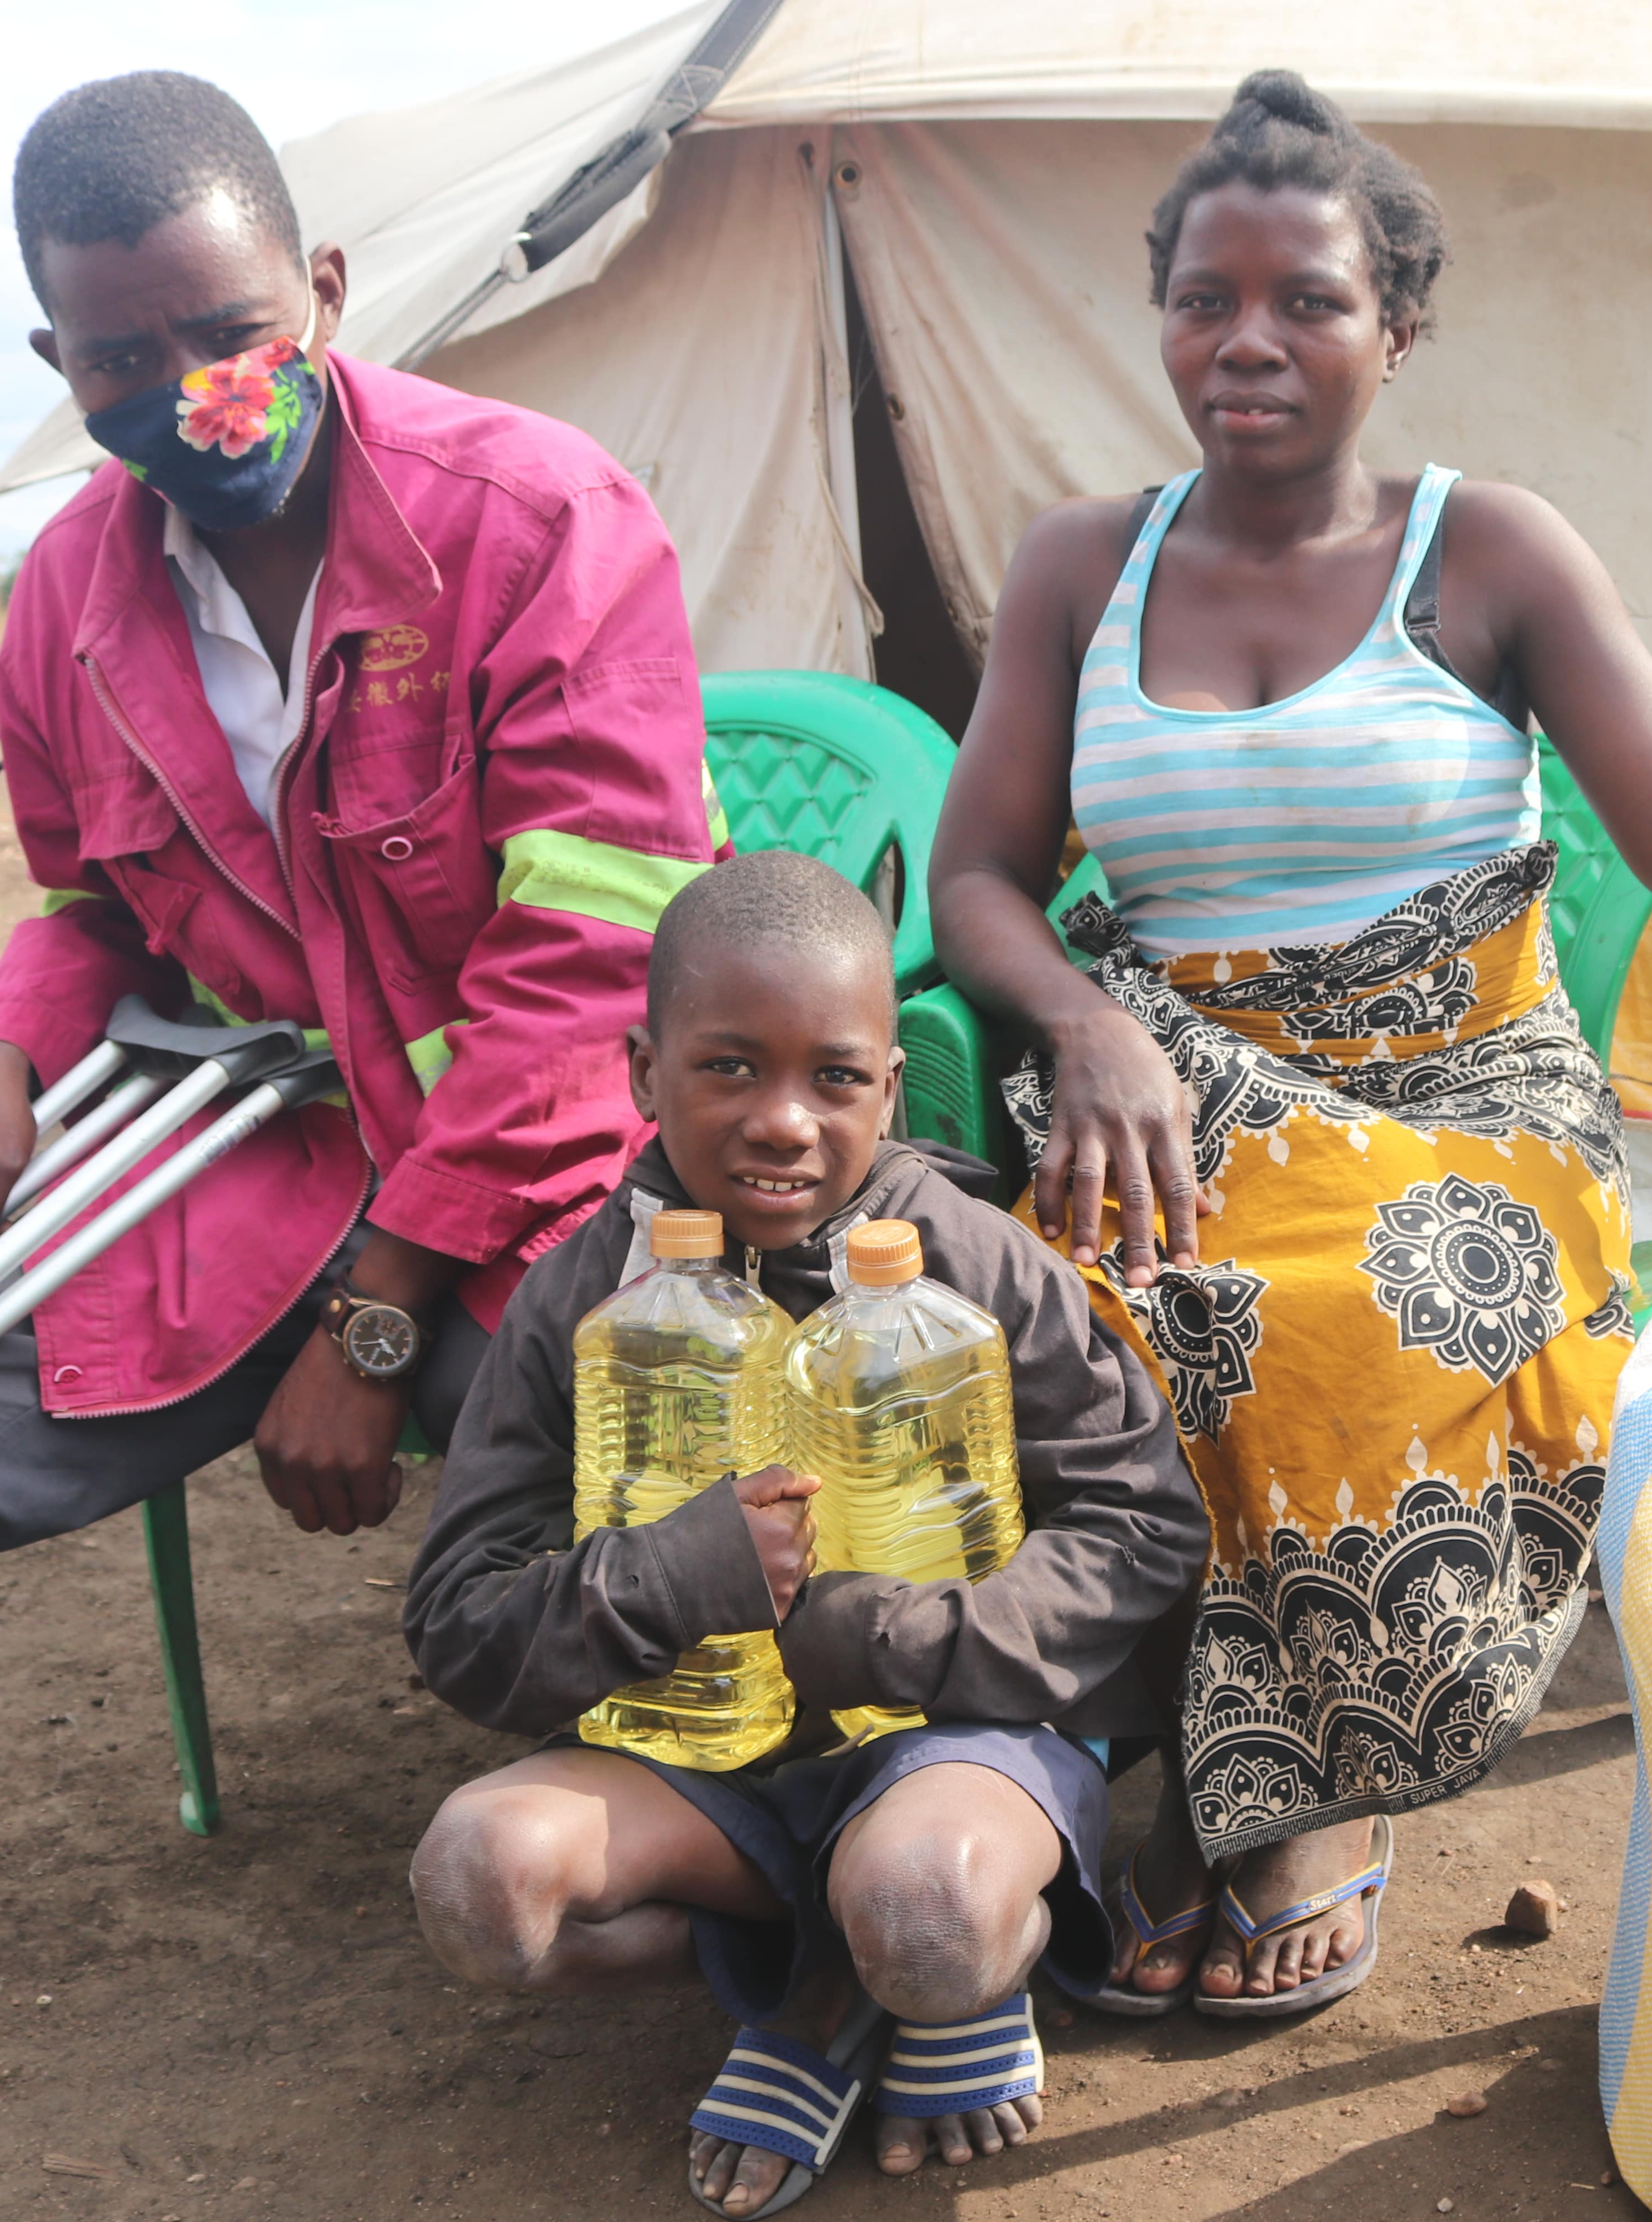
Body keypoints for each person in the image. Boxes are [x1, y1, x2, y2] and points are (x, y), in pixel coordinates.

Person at [0, 71, 719, 2221]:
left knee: (719, 1425)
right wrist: (4, 1047)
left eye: (228, 334)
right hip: (234, 1168)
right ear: (54, 361)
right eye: (121, 357)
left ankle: (754, 1886)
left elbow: (588, 962)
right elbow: (88, 899)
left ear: (329, 293)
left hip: (518, 1199)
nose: (187, 396)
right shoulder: (67, 593)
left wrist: (377, 1317)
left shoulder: (535, 511)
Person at [928, 71, 1652, 2019]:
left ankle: (1314, 1796)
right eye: (1205, 300)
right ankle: (1127, 1766)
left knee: (1352, 1298)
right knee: (1070, 1303)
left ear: (1399, 328)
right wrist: (1079, 1023)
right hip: (1175, 1079)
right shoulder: (1077, 566)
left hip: (1463, 1101)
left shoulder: (1493, 555)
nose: (1248, 343)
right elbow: (977, 875)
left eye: (1306, 300)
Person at [404, 850, 1207, 2218]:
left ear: (889, 1090)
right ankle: (821, 1963)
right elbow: (457, 1622)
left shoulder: (974, 1259)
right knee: (483, 1885)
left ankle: (852, 1987)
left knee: (933, 1918)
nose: (784, 1120)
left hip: (955, 1744)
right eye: (730, 1067)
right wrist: (671, 1576)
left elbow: (1142, 1523)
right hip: (696, 1755)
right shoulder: (581, 1297)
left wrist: (913, 1636)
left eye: (833, 1077)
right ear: (644, 1072)